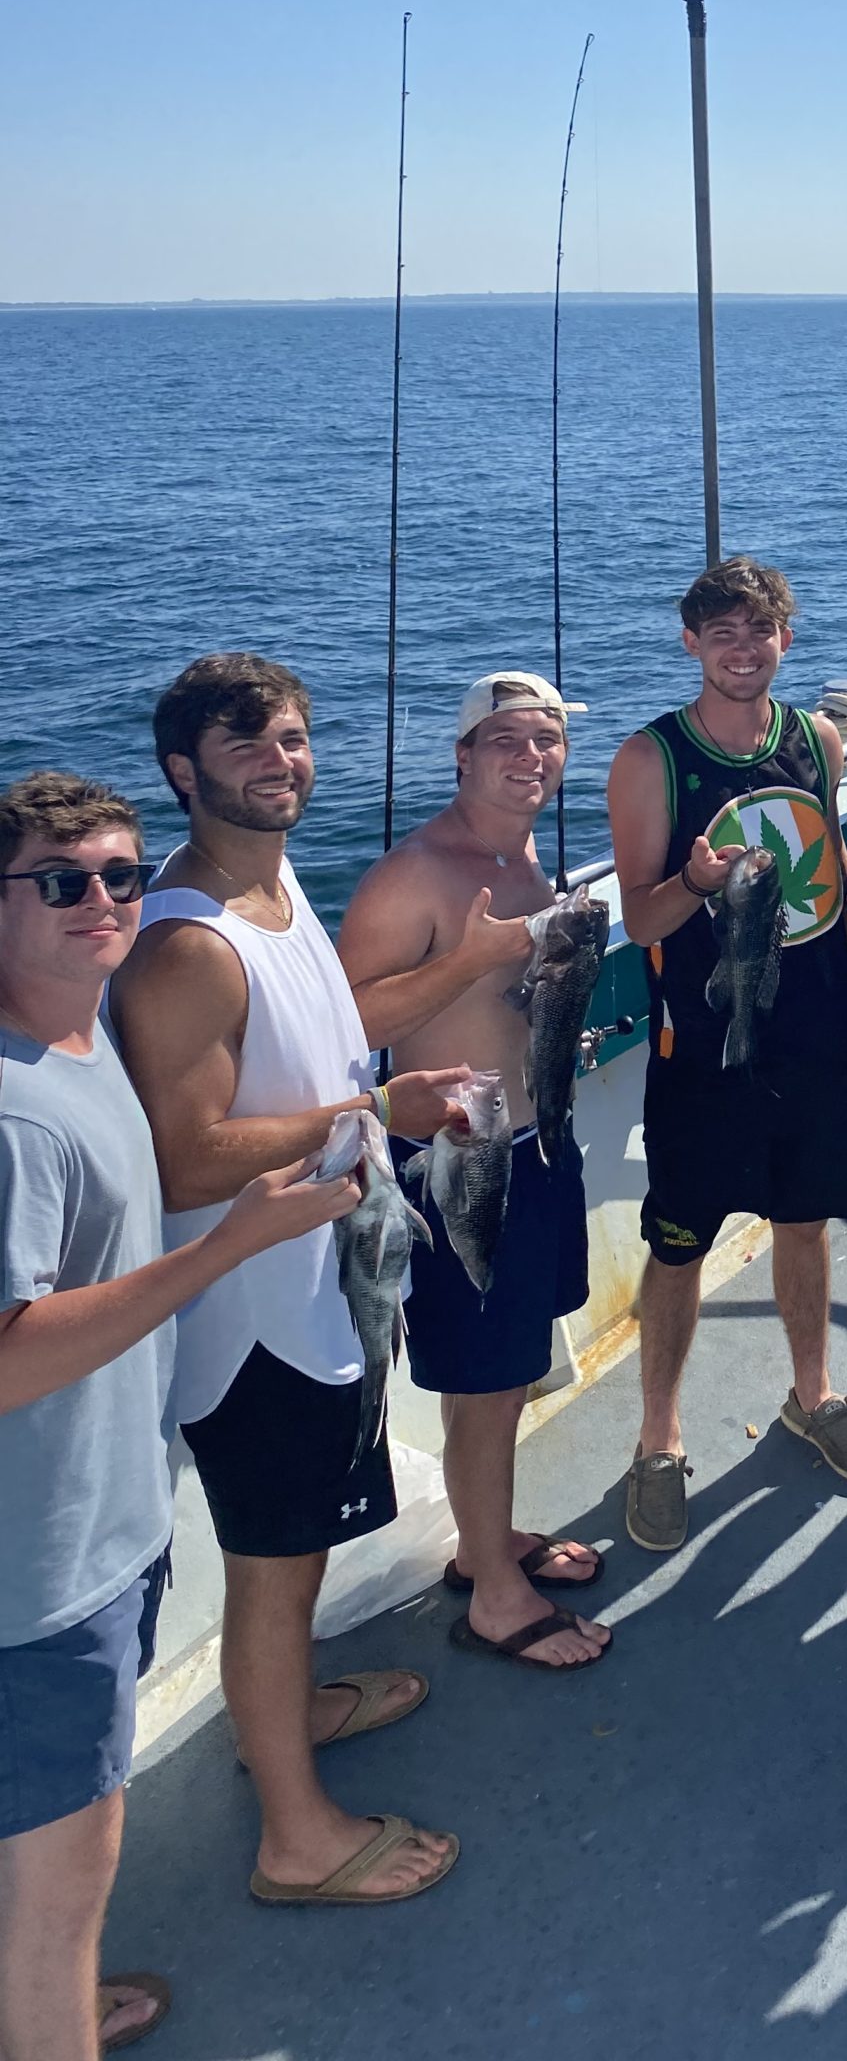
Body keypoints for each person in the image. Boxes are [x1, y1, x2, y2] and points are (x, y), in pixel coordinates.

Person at [0, 770, 362, 2059]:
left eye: (116, 873)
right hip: (35, 1569)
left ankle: (44, 2001)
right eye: (60, 882)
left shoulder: (79, 1036)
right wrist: (228, 1248)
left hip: (104, 1505)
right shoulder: (15, 1107)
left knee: (45, 1864)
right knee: (67, 1871)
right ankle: (53, 2009)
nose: (105, 902)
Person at [111, 654, 466, 1908]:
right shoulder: (188, 945)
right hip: (249, 1321)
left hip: (321, 1288)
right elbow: (183, 1153)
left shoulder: (273, 886)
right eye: (248, 742)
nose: (282, 760)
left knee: (302, 1548)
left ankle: (296, 1704)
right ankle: (294, 1841)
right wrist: (370, 1105)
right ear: (181, 770)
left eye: (296, 738)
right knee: (272, 1564)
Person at [608, 559, 847, 1551]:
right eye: (720, 631)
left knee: (804, 1223)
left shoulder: (816, 739)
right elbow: (640, 913)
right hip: (703, 1044)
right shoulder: (652, 760)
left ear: (786, 641)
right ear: (690, 642)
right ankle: (658, 1437)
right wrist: (689, 880)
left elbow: (834, 873)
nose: (741, 648)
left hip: (807, 1033)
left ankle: (811, 1393)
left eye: (759, 631)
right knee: (679, 1247)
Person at [338, 673, 610, 1672]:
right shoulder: (412, 875)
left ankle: (484, 1543)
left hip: (539, 1144)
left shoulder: (529, 861)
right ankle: (498, 1598)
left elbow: (511, 1001)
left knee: (509, 1369)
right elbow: (351, 1024)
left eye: (547, 739)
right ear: (461, 755)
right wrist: (469, 961)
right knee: (490, 1382)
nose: (531, 756)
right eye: (506, 739)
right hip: (460, 1161)